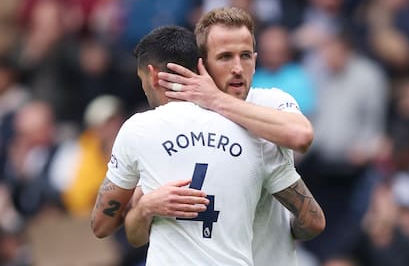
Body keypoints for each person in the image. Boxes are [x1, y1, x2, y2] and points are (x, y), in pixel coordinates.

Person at [91, 23, 324, 265]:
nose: (236, 68)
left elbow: (102, 225)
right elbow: (312, 219)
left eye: (244, 55)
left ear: (152, 75)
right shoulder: (252, 130)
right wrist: (145, 208)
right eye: (226, 57)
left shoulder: (140, 130)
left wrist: (144, 206)